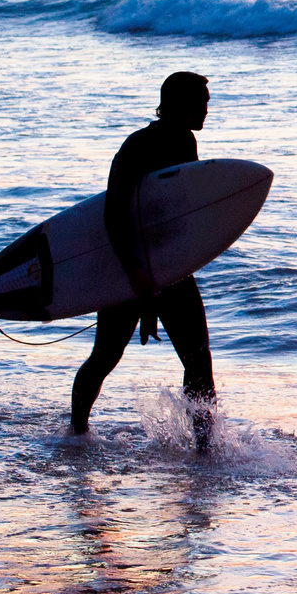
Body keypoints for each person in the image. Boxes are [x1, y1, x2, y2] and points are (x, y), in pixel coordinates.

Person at [71, 71, 217, 451]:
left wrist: (171, 273)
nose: (207, 108)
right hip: (129, 267)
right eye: (202, 101)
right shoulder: (138, 146)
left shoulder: (185, 142)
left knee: (198, 361)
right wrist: (138, 280)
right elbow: (115, 215)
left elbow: (176, 213)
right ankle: (76, 432)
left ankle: (206, 450)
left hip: (169, 269)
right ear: (181, 104)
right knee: (105, 356)